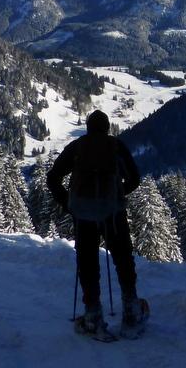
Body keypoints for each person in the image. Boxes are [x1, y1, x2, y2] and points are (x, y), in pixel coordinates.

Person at [47, 110, 147, 338]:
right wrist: (118, 195)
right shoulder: (116, 146)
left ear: (88, 127)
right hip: (113, 214)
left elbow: (52, 178)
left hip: (83, 215)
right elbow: (135, 179)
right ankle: (131, 313)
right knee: (123, 259)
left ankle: (93, 316)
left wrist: (69, 203)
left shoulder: (77, 147)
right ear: (107, 127)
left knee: (88, 262)